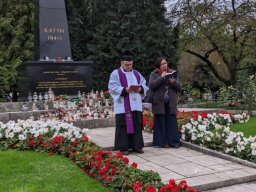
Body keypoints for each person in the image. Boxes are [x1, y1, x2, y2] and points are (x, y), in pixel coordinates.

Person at [108, 50, 149, 155]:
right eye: (126, 64)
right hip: (123, 105)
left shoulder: (136, 73)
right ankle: (123, 147)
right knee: (123, 125)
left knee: (136, 124)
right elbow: (112, 87)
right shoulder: (116, 73)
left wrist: (141, 89)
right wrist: (124, 90)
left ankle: (137, 146)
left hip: (135, 105)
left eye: (130, 64)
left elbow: (144, 84)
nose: (128, 66)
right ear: (122, 63)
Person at [148, 57, 181, 148]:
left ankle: (173, 142)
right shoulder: (154, 74)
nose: (164, 65)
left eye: (165, 63)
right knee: (161, 122)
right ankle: (163, 142)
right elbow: (151, 86)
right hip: (159, 103)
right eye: (162, 64)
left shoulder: (173, 73)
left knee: (171, 122)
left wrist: (173, 82)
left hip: (170, 102)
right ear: (159, 65)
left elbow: (179, 87)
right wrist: (161, 77)